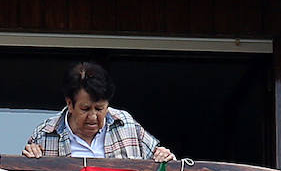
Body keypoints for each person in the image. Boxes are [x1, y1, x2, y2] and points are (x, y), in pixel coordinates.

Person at [21, 61, 175, 162]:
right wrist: (30, 158)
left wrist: (164, 156)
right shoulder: (45, 134)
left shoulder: (126, 124)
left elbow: (162, 162)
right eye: (85, 109)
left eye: (100, 109)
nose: (93, 117)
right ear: (69, 104)